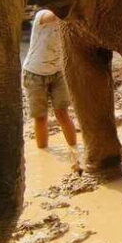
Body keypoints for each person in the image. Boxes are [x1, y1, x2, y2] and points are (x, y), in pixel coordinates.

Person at [22, 9, 78, 151]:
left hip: (57, 73)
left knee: (62, 113)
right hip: (34, 74)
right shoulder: (43, 16)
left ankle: (74, 150)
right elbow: (56, 14)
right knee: (40, 117)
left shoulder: (69, 23)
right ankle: (43, 152)